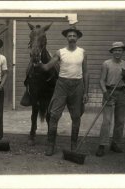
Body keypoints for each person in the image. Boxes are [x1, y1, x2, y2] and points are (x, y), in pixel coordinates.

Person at [35, 26, 89, 156]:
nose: (71, 38)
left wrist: (86, 92)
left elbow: (86, 72)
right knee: (54, 115)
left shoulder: (83, 52)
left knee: (76, 116)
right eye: (69, 36)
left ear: (77, 38)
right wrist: (39, 63)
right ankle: (51, 145)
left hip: (77, 85)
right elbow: (48, 66)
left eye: (74, 36)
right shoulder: (60, 52)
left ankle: (73, 145)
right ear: (66, 38)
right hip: (62, 85)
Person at [96, 42, 125, 157]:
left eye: (120, 50)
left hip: (122, 93)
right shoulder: (106, 64)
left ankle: (115, 144)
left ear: (123, 51)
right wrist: (105, 92)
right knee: (107, 121)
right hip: (109, 92)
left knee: (120, 121)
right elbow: (101, 80)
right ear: (112, 51)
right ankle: (102, 145)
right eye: (115, 50)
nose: (117, 52)